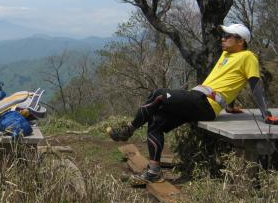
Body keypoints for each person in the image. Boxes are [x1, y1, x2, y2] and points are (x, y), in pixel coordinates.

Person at [108, 23, 275, 185]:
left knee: (158, 95)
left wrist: (264, 113)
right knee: (156, 121)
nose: (222, 38)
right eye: (223, 35)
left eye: (227, 36)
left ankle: (128, 130)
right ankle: (153, 172)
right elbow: (230, 81)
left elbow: (255, 85)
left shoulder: (248, 57)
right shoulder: (226, 55)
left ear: (241, 41)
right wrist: (230, 107)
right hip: (197, 98)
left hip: (206, 105)